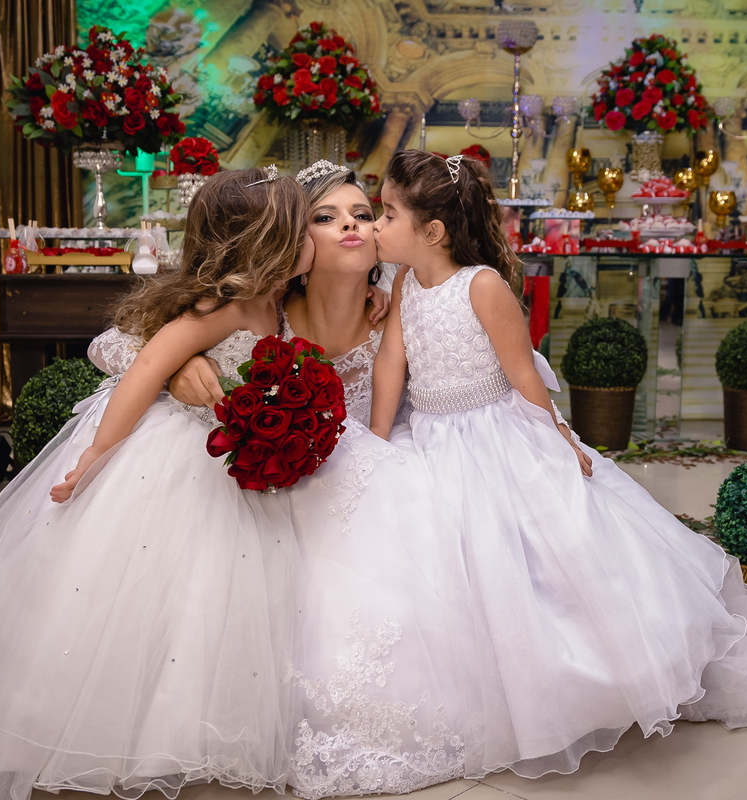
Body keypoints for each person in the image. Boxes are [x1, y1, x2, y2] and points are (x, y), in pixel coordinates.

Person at [368, 150, 747, 780]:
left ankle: (569, 686)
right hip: (428, 439)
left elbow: (522, 378)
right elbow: (390, 365)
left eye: (387, 213)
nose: (374, 224)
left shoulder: (482, 286)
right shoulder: (403, 284)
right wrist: (378, 445)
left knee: (529, 558)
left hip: (494, 437)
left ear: (432, 232)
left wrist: (560, 441)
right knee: (448, 564)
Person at [0, 168, 312, 800]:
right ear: (265, 243)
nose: (314, 240)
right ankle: (79, 727)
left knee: (208, 596)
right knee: (140, 589)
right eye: (303, 229)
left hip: (227, 454)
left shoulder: (277, 300)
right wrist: (99, 453)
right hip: (170, 453)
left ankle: (186, 721)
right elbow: (145, 370)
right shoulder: (224, 307)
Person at [99, 161, 473, 799]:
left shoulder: (402, 307)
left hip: (362, 482)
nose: (350, 227)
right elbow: (114, 343)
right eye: (324, 219)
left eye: (364, 214)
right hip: (263, 498)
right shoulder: (266, 304)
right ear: (294, 242)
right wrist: (177, 366)